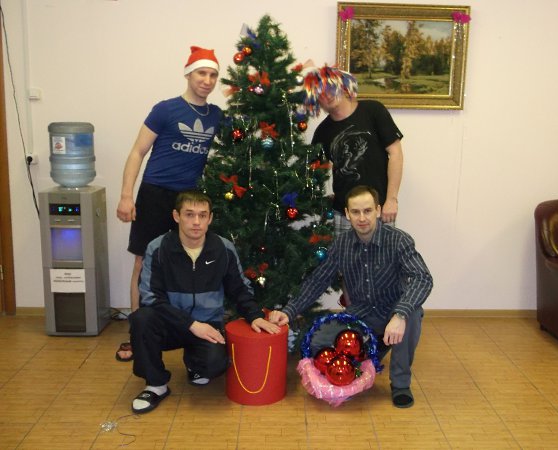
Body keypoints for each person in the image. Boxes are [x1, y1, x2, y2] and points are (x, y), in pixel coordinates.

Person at [269, 185, 432, 408]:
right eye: (355, 212)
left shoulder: (399, 240)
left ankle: (400, 383)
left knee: (412, 315)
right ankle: (376, 347)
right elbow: (318, 280)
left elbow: (423, 278)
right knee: (318, 342)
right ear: (347, 214)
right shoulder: (342, 244)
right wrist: (289, 311)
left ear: (377, 210)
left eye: (367, 211)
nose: (362, 218)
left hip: (393, 309)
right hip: (360, 313)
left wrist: (400, 314)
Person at [115, 46, 223, 362]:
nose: (207, 80)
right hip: (155, 194)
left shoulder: (217, 115)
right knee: (143, 262)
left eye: (213, 75)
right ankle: (137, 334)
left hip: (190, 200)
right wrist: (126, 195)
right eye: (202, 73)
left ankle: (182, 330)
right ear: (188, 74)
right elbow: (137, 152)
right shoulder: (165, 109)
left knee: (184, 264)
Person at [129, 190, 281, 414]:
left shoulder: (223, 248)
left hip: (208, 324)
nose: (196, 222)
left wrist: (255, 316)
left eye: (202, 215)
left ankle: (195, 363)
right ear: (176, 216)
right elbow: (151, 298)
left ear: (210, 218)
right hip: (170, 322)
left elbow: (239, 288)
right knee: (141, 319)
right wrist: (191, 324)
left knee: (214, 365)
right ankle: (156, 385)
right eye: (189, 214)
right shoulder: (158, 248)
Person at [303, 65, 404, 234]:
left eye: (330, 88)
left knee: (384, 252)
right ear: (316, 101)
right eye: (320, 94)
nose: (327, 95)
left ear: (343, 86)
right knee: (344, 253)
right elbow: (314, 172)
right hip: (344, 215)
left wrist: (392, 200)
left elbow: (396, 153)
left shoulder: (373, 111)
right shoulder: (322, 132)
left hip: (379, 211)